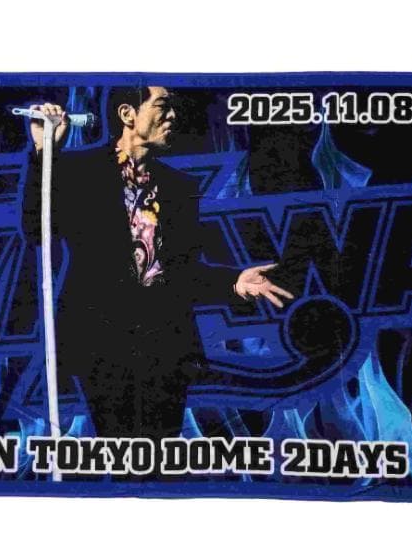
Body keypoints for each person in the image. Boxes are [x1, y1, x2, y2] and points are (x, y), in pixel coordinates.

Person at [23, 87, 293, 440]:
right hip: (102, 344)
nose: (172, 116)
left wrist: (233, 282)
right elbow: (37, 230)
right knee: (119, 450)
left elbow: (183, 272)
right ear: (127, 114)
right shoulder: (80, 172)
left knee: (159, 455)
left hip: (166, 350)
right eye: (162, 107)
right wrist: (43, 154)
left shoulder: (177, 187)